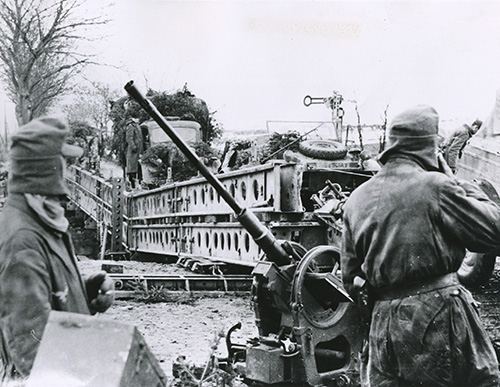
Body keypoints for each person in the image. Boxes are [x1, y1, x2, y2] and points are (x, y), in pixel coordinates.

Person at [341, 105, 500, 386]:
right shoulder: (437, 186)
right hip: (437, 317)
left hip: (382, 327)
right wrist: (455, 180)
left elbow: (350, 275)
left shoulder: (356, 198)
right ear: (429, 147)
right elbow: (493, 229)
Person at [0, 116, 114, 381]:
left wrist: (81, 293)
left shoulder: (38, 219)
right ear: (45, 168)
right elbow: (32, 345)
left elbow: (39, 301)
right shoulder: (22, 238)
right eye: (64, 162)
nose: (67, 170)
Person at [124, 101, 144, 189]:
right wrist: (134, 147)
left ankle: (138, 184)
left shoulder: (137, 125)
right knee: (132, 169)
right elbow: (129, 138)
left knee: (138, 168)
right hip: (133, 152)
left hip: (138, 150)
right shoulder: (131, 126)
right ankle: (132, 186)